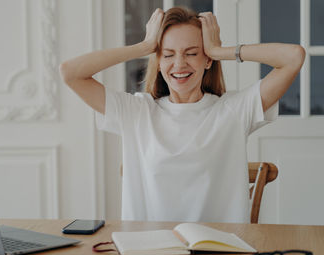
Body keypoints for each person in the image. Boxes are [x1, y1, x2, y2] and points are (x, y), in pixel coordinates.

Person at [59, 7, 305, 223]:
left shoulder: (234, 110)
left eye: (192, 53)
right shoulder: (137, 111)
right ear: (158, 59)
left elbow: (293, 57)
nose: (179, 64)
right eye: (168, 54)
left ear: (207, 59)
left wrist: (220, 50)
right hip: (149, 254)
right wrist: (143, 46)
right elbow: (70, 72)